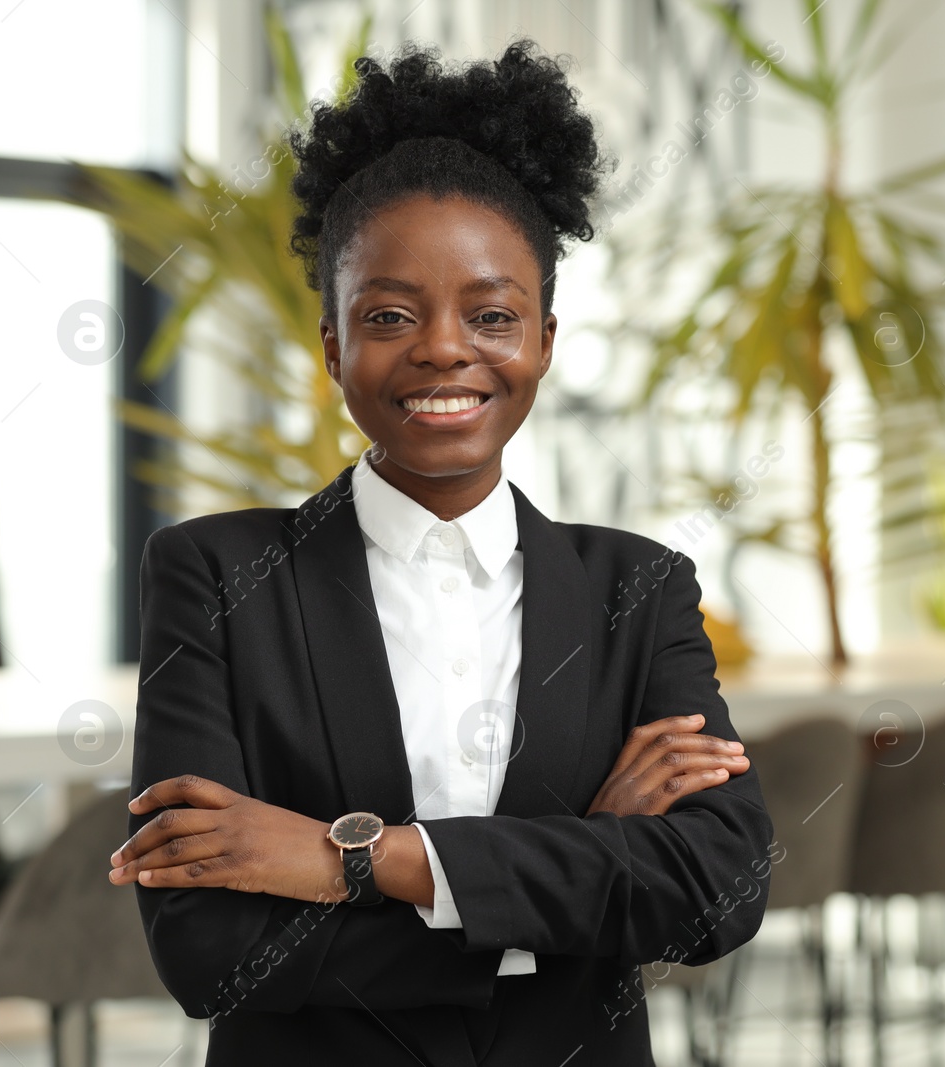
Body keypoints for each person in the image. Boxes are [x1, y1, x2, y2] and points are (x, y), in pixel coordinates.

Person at [107, 39, 773, 1065]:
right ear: (332, 345)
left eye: (492, 313)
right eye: (388, 315)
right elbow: (210, 951)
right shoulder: (213, 577)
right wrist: (576, 879)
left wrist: (354, 861)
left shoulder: (637, 588)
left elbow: (716, 889)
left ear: (544, 338)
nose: (443, 348)